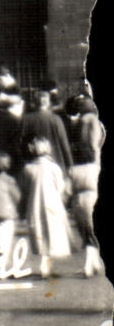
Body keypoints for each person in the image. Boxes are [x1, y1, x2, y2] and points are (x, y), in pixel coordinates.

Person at [20, 137, 72, 279]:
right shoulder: (54, 168)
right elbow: (60, 187)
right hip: (53, 204)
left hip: (34, 203)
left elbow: (25, 189)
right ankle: (47, 266)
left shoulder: (28, 168)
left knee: (40, 233)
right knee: (52, 234)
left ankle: (44, 266)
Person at [69, 96, 104, 278]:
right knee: (91, 226)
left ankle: (90, 263)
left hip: (79, 178)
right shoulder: (96, 123)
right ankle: (93, 262)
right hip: (92, 173)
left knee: (85, 226)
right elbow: (95, 146)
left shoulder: (80, 123)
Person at [19, 88, 73, 177]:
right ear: (48, 103)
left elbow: (20, 143)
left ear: (34, 103)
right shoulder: (56, 119)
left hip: (33, 166)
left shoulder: (26, 119)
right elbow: (64, 144)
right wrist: (70, 164)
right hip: (56, 164)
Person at [0, 150, 21, 259]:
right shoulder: (10, 180)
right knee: (5, 245)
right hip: (7, 215)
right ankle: (2, 263)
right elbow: (17, 197)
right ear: (8, 165)